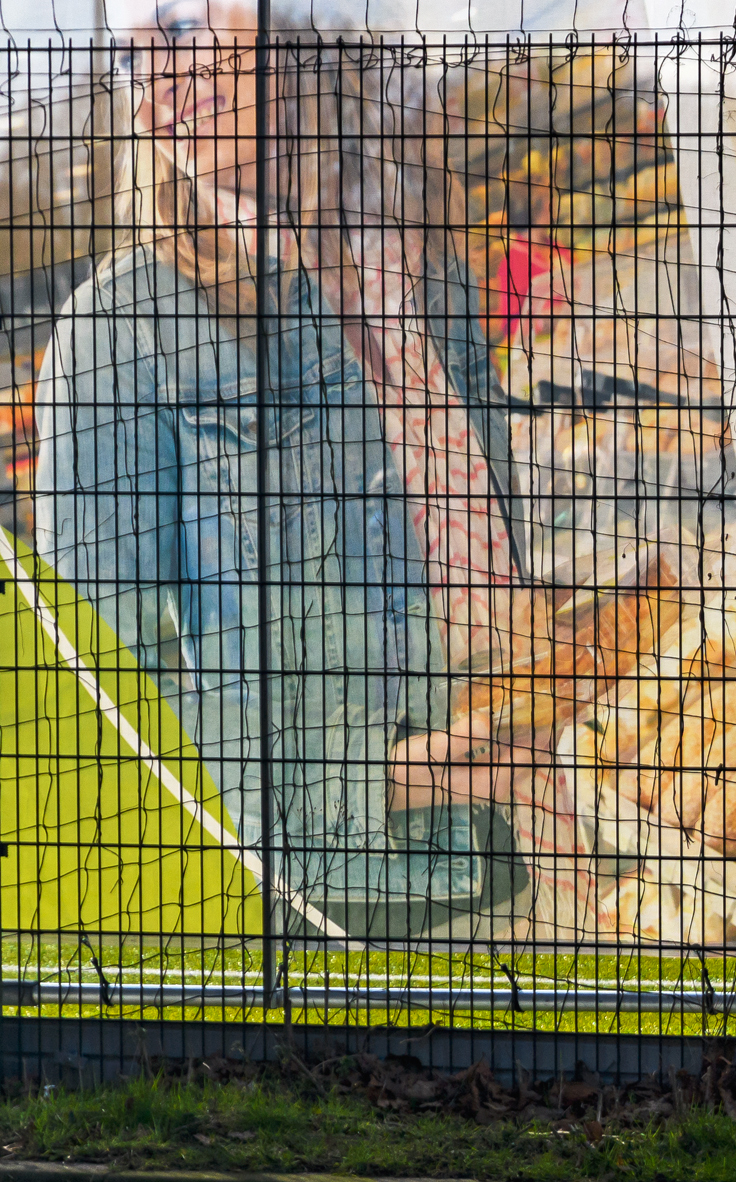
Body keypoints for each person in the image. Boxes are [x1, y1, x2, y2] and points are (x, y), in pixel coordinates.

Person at [36, 0, 565, 941]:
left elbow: (479, 570)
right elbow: (96, 708)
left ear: (310, 27)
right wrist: (390, 775)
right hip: (309, 909)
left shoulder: (423, 274)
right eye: (133, 53)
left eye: (180, 27)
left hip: (497, 867)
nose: (155, 80)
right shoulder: (115, 333)